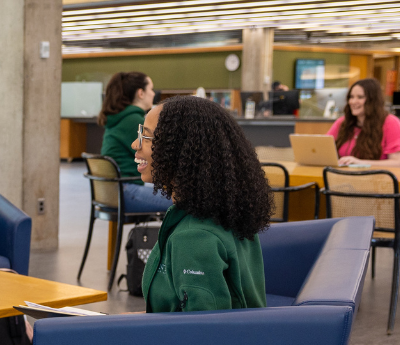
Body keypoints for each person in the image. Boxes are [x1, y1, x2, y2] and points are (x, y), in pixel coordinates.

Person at [132, 96, 271, 313]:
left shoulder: (192, 238)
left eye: (147, 136)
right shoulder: (227, 214)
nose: (135, 144)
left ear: (181, 149)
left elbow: (203, 333)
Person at [97, 71, 172, 214]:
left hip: (110, 192)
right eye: (151, 88)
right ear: (141, 93)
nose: (153, 94)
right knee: (184, 201)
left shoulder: (119, 117)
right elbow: (159, 156)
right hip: (124, 191)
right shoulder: (133, 121)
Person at [327, 78, 400, 168]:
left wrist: (360, 163)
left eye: (360, 97)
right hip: (342, 178)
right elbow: (323, 149)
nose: (353, 101)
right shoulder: (342, 122)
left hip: (377, 179)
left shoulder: (390, 122)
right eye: (351, 97)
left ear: (373, 100)